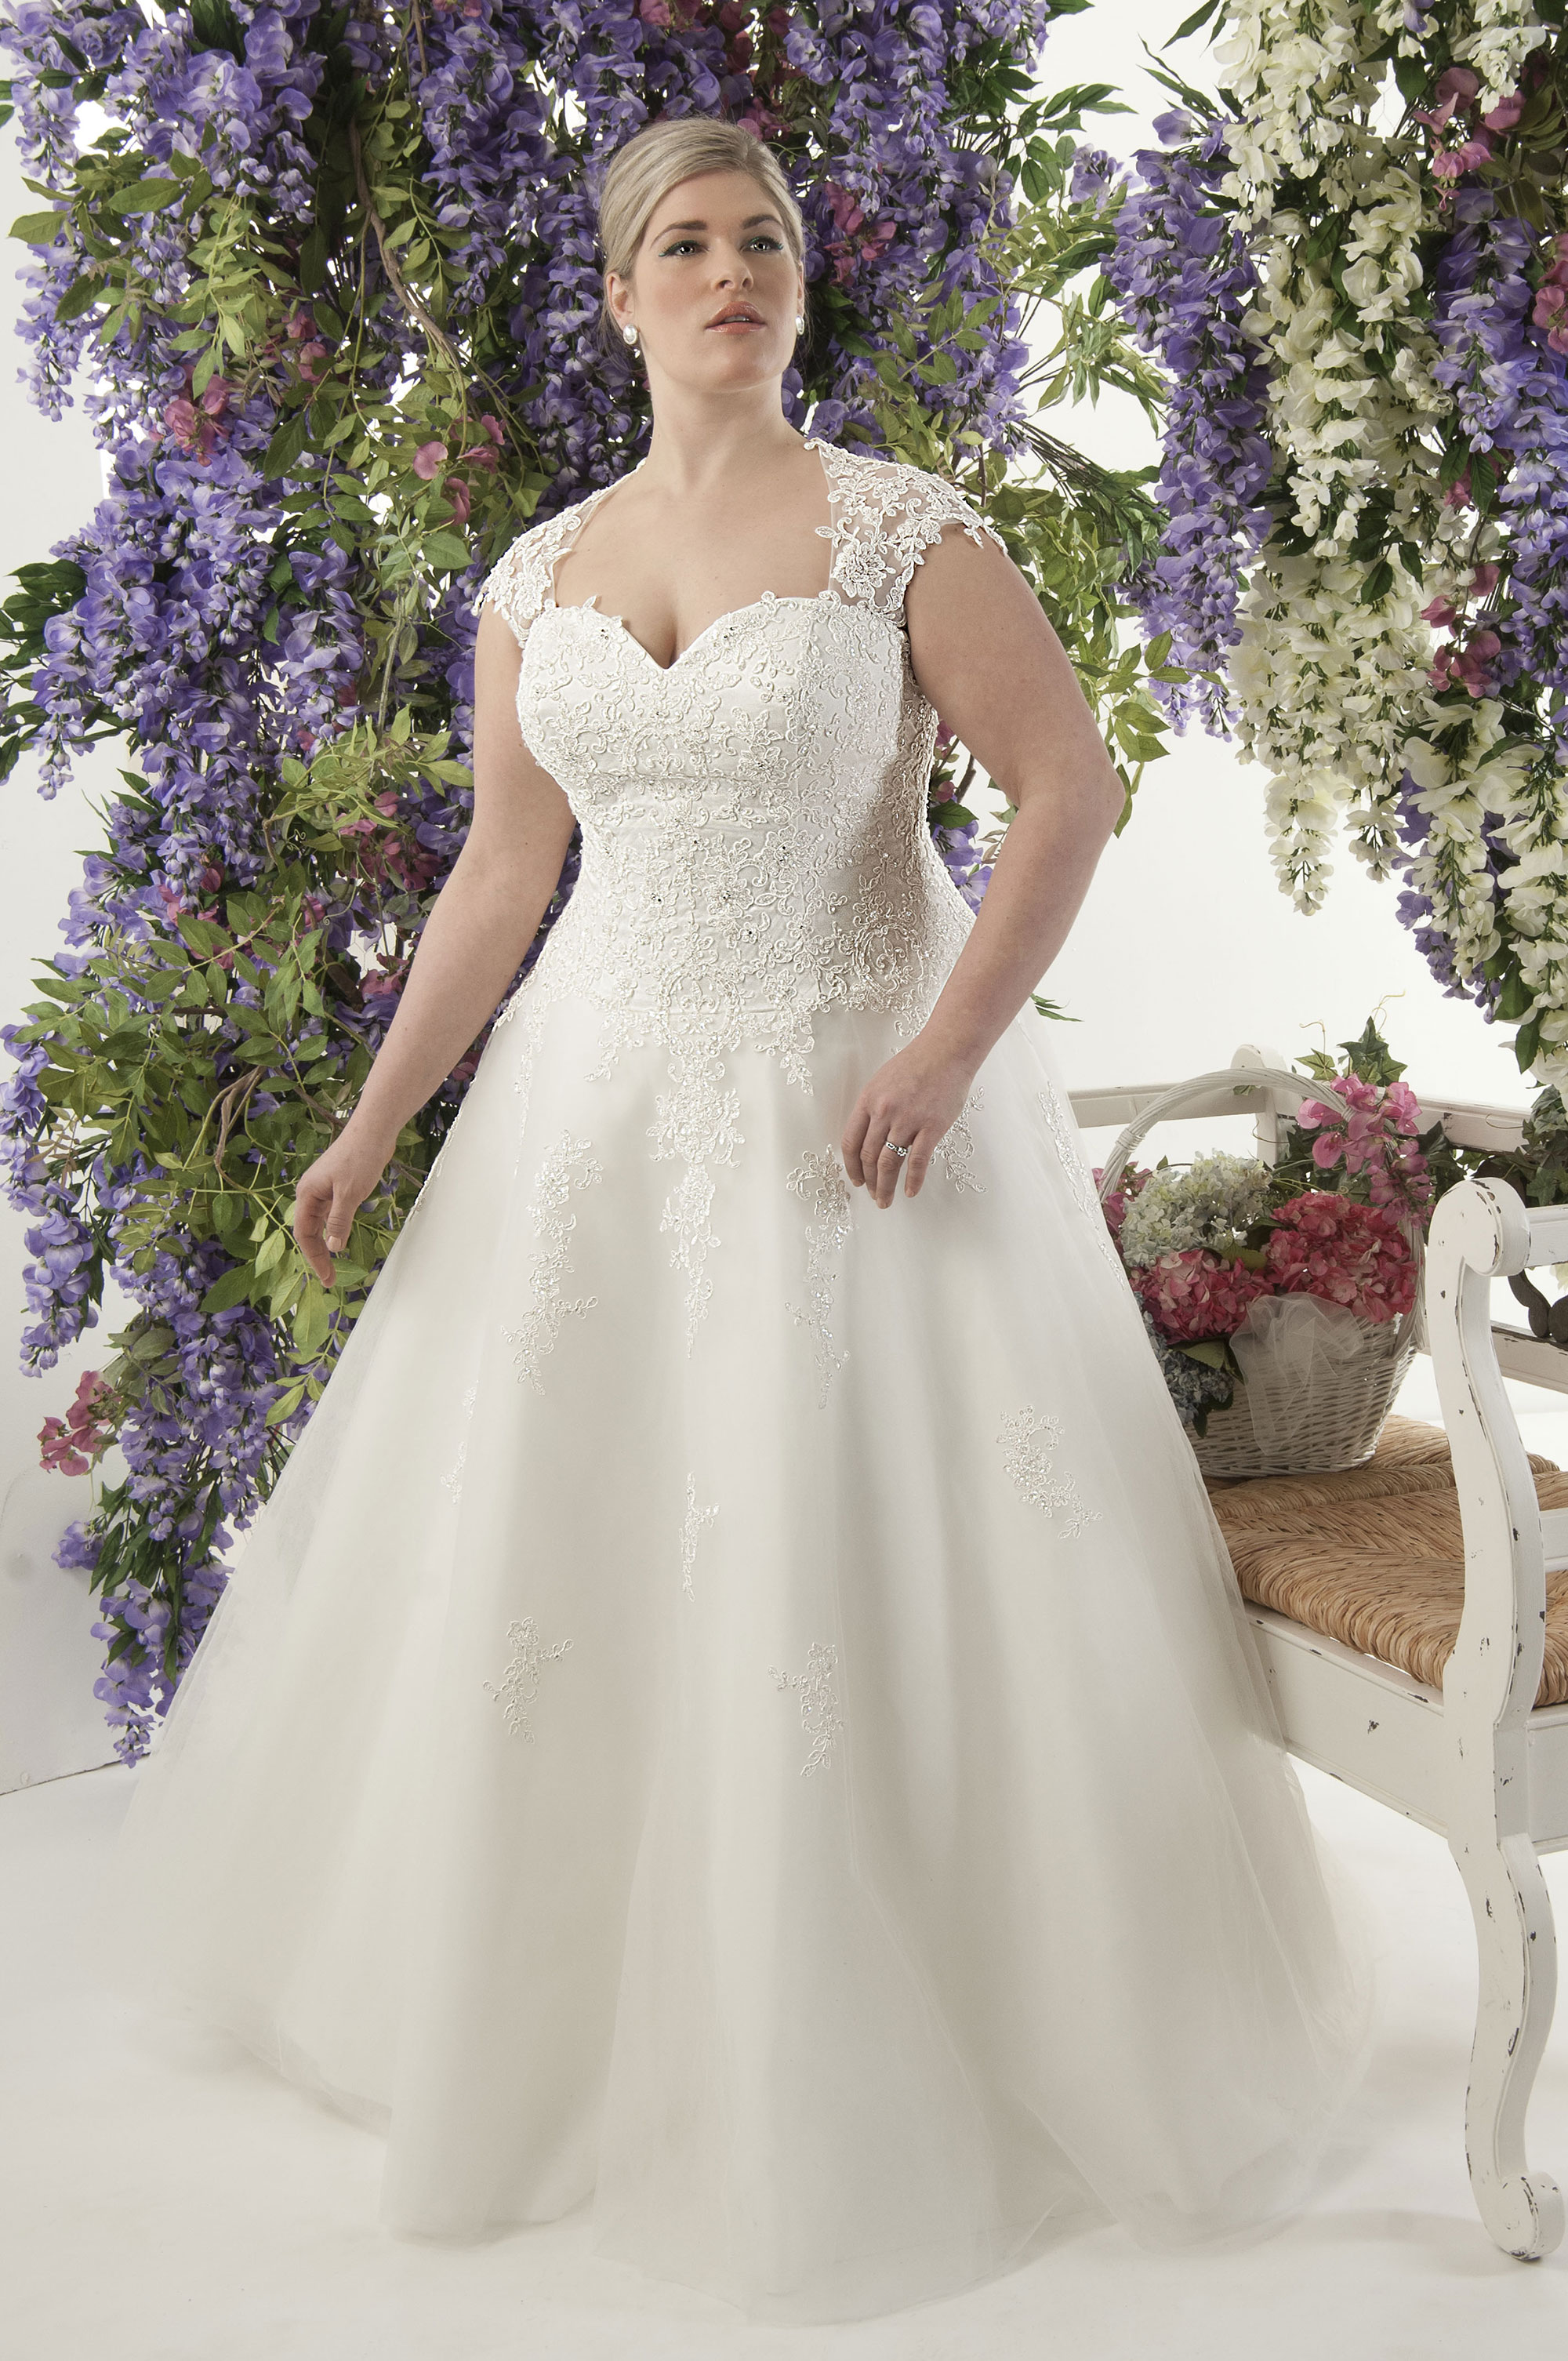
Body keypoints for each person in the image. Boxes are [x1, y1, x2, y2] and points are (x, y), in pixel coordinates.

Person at [102, 115, 1376, 2326]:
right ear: (619, 297)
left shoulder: (902, 530)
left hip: (854, 1106)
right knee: (568, 1552)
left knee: (849, 1555)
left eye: (762, 238)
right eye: (683, 244)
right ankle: (557, 2032)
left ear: (797, 283)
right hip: (593, 1112)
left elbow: (1068, 793)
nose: (729, 271)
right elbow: (506, 872)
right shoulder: (537, 577)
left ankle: (901, 2031)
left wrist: (950, 1049)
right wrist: (373, 1126)